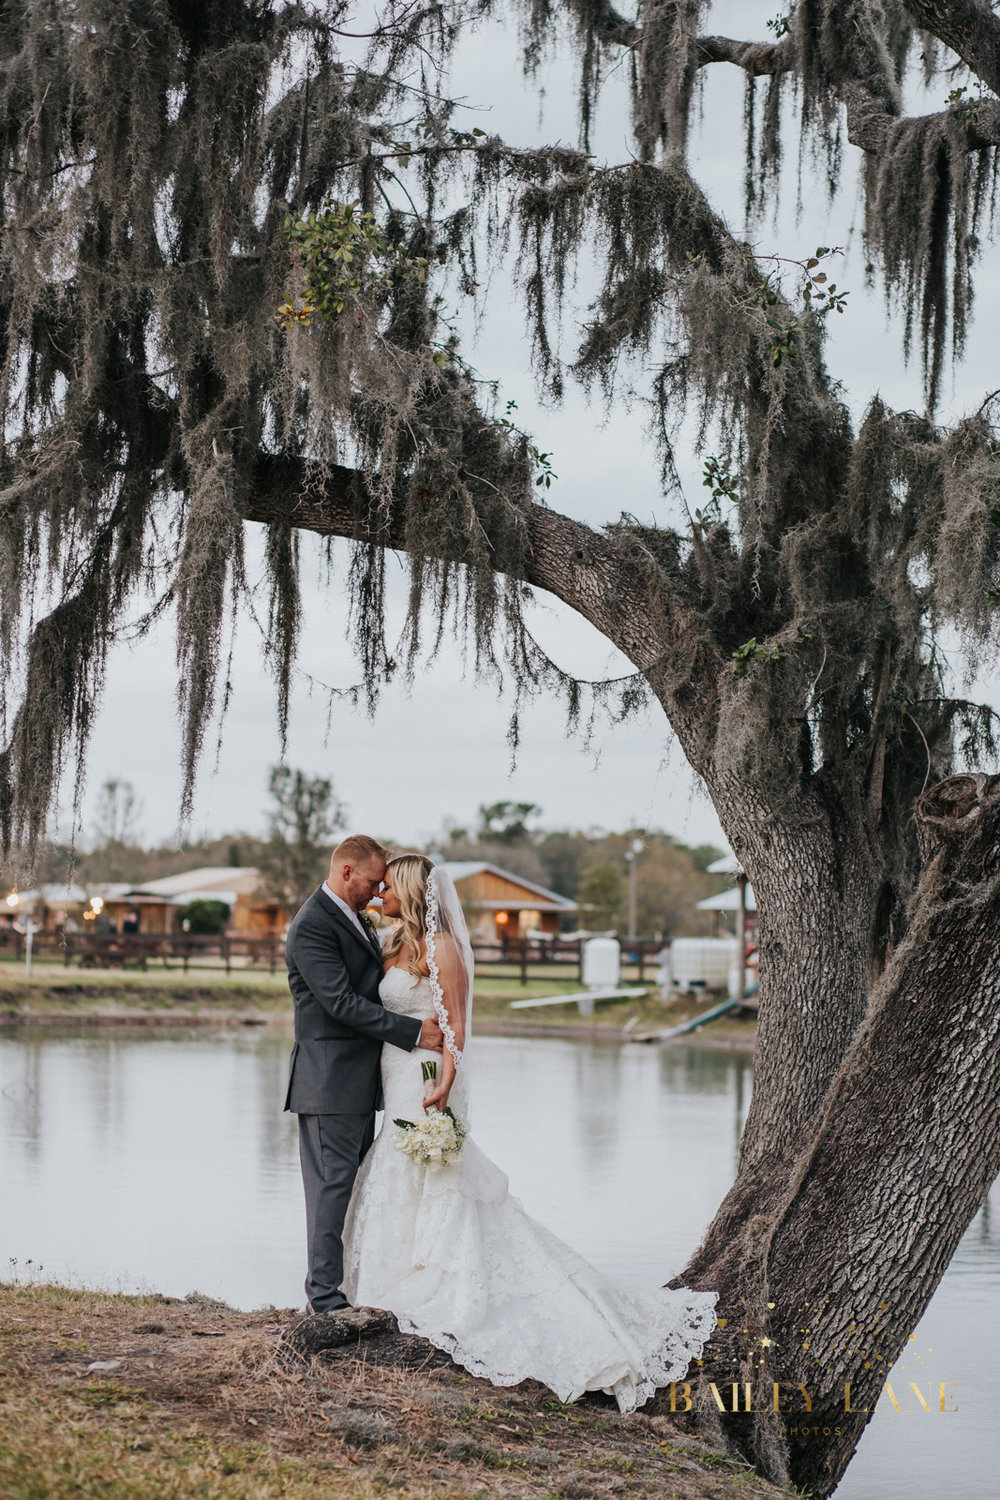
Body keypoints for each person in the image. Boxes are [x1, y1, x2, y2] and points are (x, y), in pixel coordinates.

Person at [342, 853, 717, 1412]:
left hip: (424, 1079)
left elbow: (456, 1028)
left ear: (411, 891)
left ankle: (444, 1276)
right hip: (394, 1074)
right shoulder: (393, 942)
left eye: (387, 888)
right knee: (398, 1168)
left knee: (435, 1173)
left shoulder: (442, 949)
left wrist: (445, 1085)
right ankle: (395, 1272)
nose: (378, 896)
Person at [284, 835, 444, 1313]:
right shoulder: (313, 924)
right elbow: (339, 1003)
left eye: (383, 885)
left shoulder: (352, 916)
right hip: (328, 1083)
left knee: (348, 1187)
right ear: (346, 871)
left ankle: (342, 1288)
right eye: (373, 882)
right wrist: (413, 1031)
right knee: (331, 1189)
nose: (377, 893)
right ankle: (325, 1300)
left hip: (360, 1083)